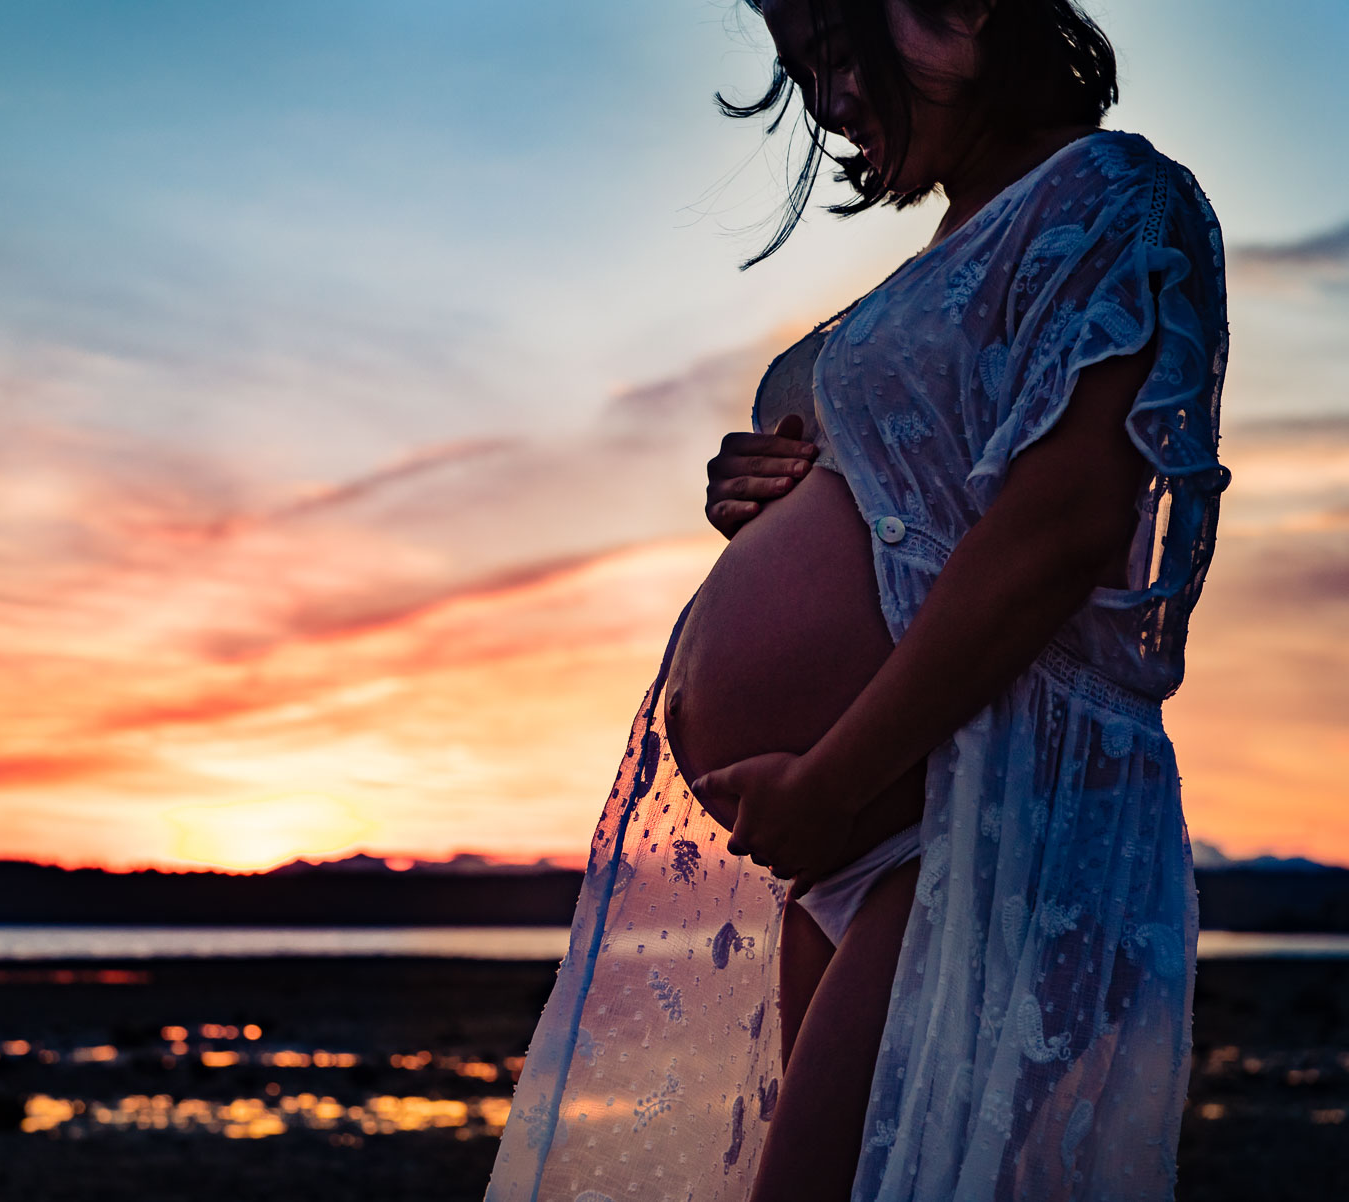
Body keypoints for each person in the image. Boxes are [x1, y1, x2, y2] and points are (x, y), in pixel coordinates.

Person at [483, 1, 1230, 1199]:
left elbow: (1057, 528)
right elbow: (920, 499)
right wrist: (775, 494)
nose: (826, 103)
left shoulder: (1105, 196)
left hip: (976, 815)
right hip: (867, 831)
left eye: (835, 54)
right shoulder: (936, 264)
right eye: (799, 71)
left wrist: (830, 778)